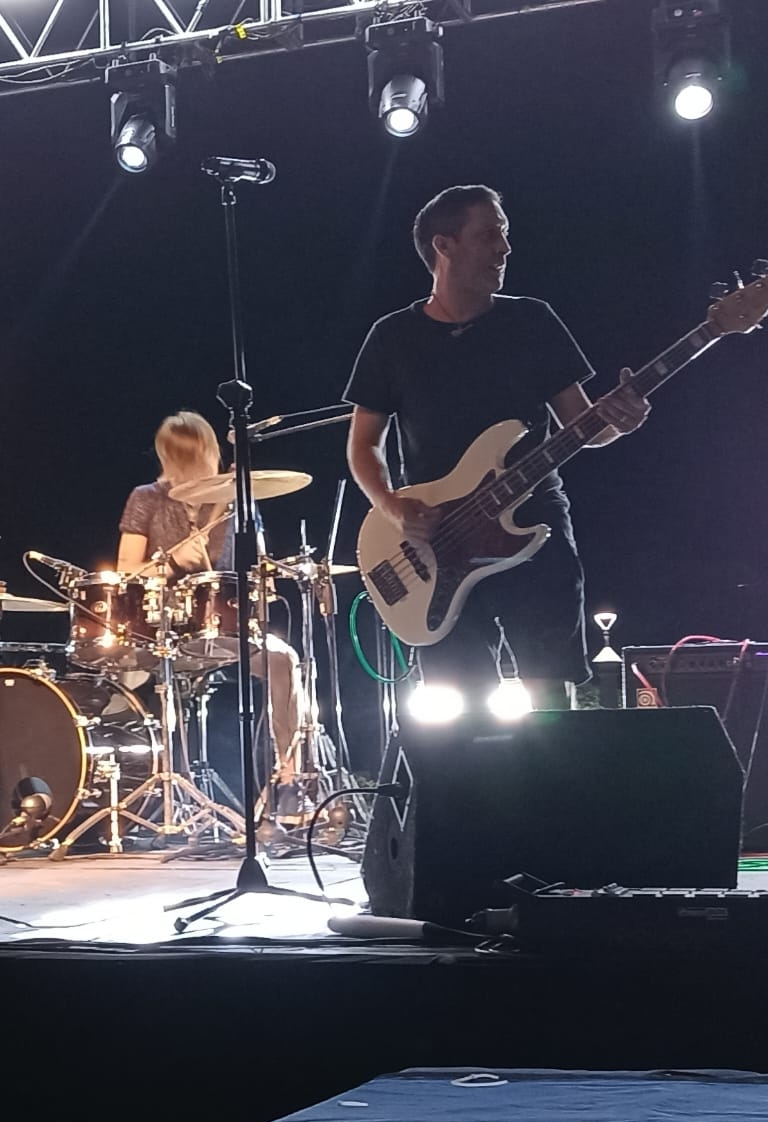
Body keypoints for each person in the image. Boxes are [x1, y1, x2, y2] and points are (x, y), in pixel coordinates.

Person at [344, 185, 650, 707]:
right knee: (456, 704)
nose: (504, 248)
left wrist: (621, 421)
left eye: (504, 234)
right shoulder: (391, 337)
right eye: (489, 235)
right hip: (437, 541)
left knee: (548, 696)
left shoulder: (532, 321)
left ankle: (550, 765)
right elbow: (363, 446)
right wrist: (394, 508)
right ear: (444, 245)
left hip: (533, 522)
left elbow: (587, 427)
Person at [115, 410, 307, 785]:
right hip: (164, 633)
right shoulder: (146, 498)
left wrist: (267, 580)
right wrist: (172, 564)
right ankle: (167, 781)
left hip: (226, 629)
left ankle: (290, 776)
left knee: (284, 659)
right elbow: (126, 573)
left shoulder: (235, 500)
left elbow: (258, 566)